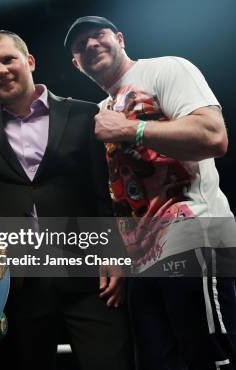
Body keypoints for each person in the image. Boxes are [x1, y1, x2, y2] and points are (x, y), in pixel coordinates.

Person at [65, 15, 236, 369]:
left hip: (193, 236)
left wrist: (131, 129)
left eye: (98, 36)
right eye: (81, 46)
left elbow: (213, 136)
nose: (91, 45)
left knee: (212, 355)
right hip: (143, 262)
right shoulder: (101, 113)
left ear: (120, 39)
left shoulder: (166, 69)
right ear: (76, 64)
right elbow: (119, 196)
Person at [0, 30, 133, 370]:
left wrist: (115, 252)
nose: (1, 70)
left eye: (8, 59)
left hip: (89, 276)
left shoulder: (84, 114)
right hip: (18, 283)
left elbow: (104, 191)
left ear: (29, 61)